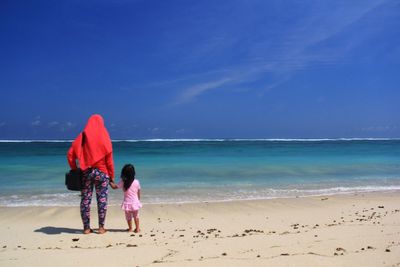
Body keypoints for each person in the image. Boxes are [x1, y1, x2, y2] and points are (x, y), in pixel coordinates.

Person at [67, 114, 114, 234]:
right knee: (102, 200)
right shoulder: (105, 137)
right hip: (102, 173)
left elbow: (70, 155)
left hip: (86, 172)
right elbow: (109, 160)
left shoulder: (82, 136)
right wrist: (112, 176)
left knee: (85, 200)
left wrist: (74, 168)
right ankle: (101, 227)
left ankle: (86, 228)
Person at [110, 164, 142, 233]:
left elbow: (114, 187)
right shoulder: (136, 182)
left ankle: (130, 229)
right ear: (133, 173)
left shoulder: (123, 182)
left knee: (128, 217)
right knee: (136, 216)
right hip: (135, 203)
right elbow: (138, 192)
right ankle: (137, 229)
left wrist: (110, 181)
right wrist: (138, 200)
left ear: (123, 173)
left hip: (127, 203)